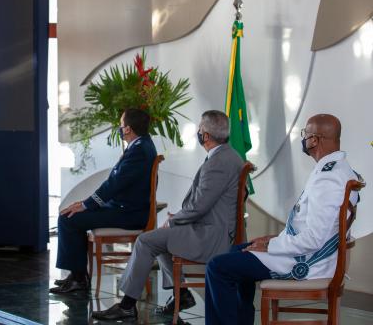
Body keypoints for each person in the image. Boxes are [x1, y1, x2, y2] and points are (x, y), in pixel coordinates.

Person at [204, 114, 360, 325]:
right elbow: (310, 226)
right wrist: (271, 240)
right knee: (235, 252)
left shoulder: (328, 179)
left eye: (305, 133)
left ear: (315, 139)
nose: (303, 139)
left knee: (217, 267)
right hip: (306, 251)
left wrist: (271, 246)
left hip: (307, 260)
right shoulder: (336, 168)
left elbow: (313, 239)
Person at [92, 110, 244, 321]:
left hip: (210, 237)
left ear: (206, 136)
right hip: (212, 228)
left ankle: (127, 305)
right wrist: (177, 218)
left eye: (200, 129)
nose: (199, 132)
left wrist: (173, 220)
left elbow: (199, 206)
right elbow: (206, 203)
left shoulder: (218, 163)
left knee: (146, 241)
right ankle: (181, 294)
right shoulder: (230, 156)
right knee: (160, 239)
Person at [50, 108, 157, 294]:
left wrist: (85, 205)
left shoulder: (138, 151)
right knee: (71, 215)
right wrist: (86, 203)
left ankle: (78, 278)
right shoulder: (143, 145)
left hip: (128, 213)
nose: (119, 128)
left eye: (121, 125)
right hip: (126, 208)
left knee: (69, 219)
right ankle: (77, 275)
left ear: (128, 129)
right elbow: (114, 184)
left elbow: (113, 185)